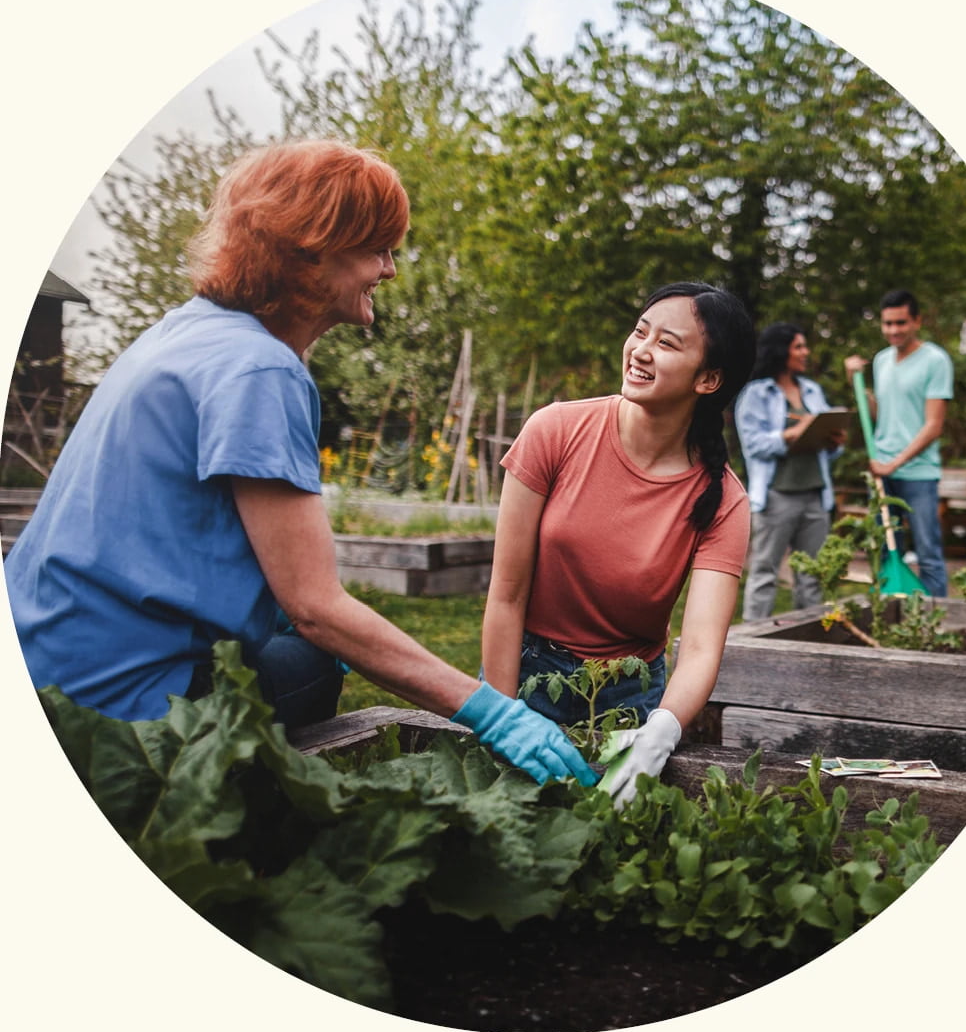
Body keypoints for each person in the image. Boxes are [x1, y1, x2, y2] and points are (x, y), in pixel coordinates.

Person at [5, 139, 594, 789]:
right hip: (122, 711)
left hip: (40, 663)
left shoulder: (183, 332)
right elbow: (315, 606)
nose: (390, 270)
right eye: (377, 249)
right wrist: (491, 711)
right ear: (314, 249)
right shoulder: (260, 369)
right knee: (315, 655)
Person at [481, 281, 756, 806]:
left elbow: (699, 647)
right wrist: (501, 713)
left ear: (709, 378)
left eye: (667, 344)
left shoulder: (724, 502)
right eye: (640, 331)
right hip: (523, 671)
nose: (641, 350)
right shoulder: (555, 430)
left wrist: (662, 732)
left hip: (628, 699)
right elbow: (506, 593)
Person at [844, 288, 954, 597]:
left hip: (918, 472)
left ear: (917, 321)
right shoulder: (881, 360)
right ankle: (891, 617)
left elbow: (933, 426)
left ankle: (935, 624)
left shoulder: (935, 360)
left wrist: (895, 462)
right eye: (888, 324)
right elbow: (880, 414)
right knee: (884, 548)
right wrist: (855, 383)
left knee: (928, 552)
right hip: (882, 471)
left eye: (901, 323)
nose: (893, 330)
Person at [734, 323, 847, 620]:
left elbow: (826, 440)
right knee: (765, 571)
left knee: (812, 575)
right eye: (799, 346)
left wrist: (834, 440)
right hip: (776, 498)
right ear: (781, 351)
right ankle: (753, 639)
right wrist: (792, 434)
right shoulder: (756, 394)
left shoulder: (811, 390)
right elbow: (754, 444)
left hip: (815, 496)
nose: (805, 352)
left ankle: (808, 639)